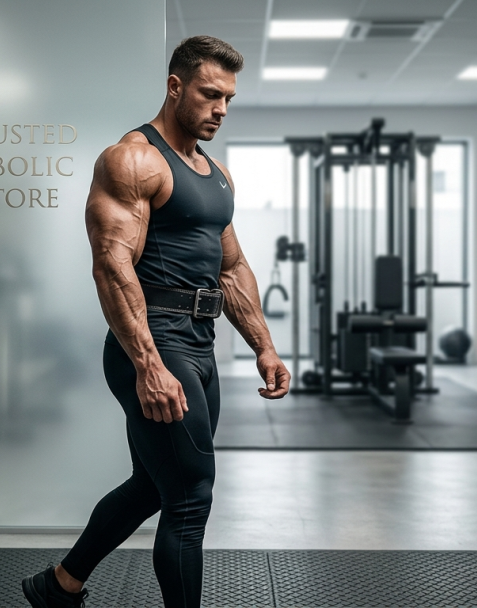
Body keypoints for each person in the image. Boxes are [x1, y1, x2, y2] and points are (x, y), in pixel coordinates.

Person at [22, 35, 291, 608]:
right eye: (210, 94)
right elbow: (111, 266)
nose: (220, 109)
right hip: (154, 342)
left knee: (156, 483)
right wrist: (148, 364)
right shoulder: (133, 159)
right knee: (191, 497)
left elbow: (233, 266)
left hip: (200, 341)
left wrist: (264, 346)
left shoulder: (216, 175)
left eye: (228, 98)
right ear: (175, 87)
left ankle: (59, 585)